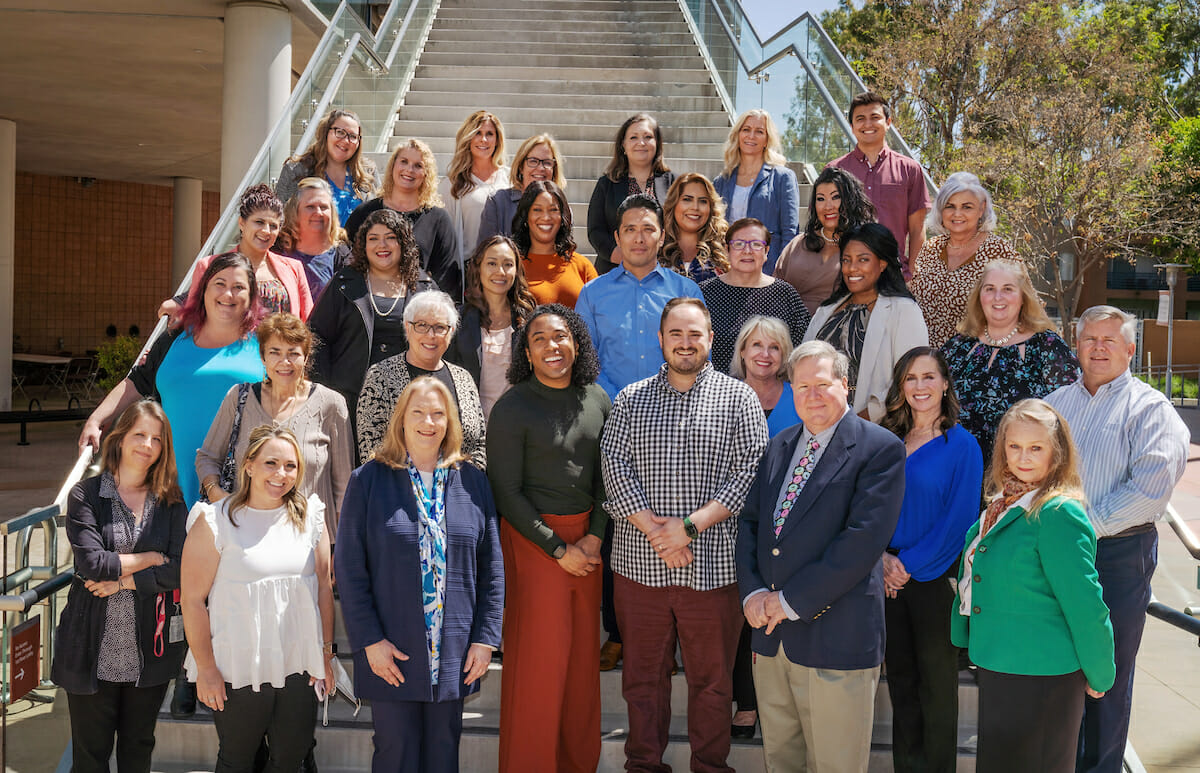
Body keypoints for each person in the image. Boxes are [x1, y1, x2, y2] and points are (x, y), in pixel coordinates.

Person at [601, 297, 768, 773]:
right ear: (661, 339)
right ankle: (644, 765)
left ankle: (710, 766)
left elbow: (749, 472)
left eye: (695, 333)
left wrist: (689, 527)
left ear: (711, 338)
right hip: (638, 567)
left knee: (712, 683)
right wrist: (654, 530)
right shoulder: (631, 399)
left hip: (714, 569)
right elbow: (613, 466)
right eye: (676, 333)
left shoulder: (739, 399)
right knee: (641, 680)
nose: (685, 342)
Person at [736, 340, 906, 773]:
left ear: (845, 385)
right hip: (772, 641)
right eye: (801, 386)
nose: (811, 395)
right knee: (782, 762)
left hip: (836, 639)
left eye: (822, 385)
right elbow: (751, 525)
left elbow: (860, 544)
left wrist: (786, 601)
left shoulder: (879, 449)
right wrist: (753, 592)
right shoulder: (779, 446)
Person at [1045, 306, 1190, 773]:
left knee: (1105, 674)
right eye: (1090, 339)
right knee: (1057, 667)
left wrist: (1078, 526)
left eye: (1111, 340)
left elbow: (1149, 489)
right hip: (1051, 554)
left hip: (1117, 554)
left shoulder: (1150, 409)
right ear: (1077, 346)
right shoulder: (1054, 405)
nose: (1099, 347)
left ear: (1131, 349)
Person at [334, 378, 504, 773]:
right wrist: (370, 641)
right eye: (418, 412)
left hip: (455, 650)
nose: (428, 422)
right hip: (392, 650)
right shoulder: (368, 480)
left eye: (438, 413)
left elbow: (492, 568)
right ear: (401, 420)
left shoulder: (473, 482)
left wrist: (485, 638)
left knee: (443, 754)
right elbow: (349, 568)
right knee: (396, 754)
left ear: (450, 422)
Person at [576, 194, 704, 669]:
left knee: (675, 516)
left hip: (678, 418)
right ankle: (619, 631)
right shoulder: (594, 293)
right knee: (618, 525)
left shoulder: (681, 290)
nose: (638, 237)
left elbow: (696, 350)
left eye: (648, 229)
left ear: (661, 236)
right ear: (617, 238)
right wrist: (623, 402)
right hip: (614, 421)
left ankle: (677, 632)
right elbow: (586, 362)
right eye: (629, 229)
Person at [952, 399, 1115, 773]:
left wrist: (1100, 671)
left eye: (1036, 448)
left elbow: (1086, 606)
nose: (1023, 457)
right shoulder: (1002, 504)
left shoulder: (1059, 514)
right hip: (999, 664)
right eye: (1014, 446)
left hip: (1045, 676)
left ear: (1056, 454)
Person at [486, 305, 610, 773]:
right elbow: (506, 491)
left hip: (590, 544)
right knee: (539, 668)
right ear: (527, 352)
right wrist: (558, 549)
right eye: (539, 339)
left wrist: (595, 538)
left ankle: (577, 764)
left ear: (576, 343)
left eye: (560, 336)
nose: (551, 347)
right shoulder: (513, 405)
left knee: (581, 668)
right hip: (534, 544)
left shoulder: (597, 398)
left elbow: (608, 478)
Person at [181, 426, 335, 773]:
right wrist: (206, 669)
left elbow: (324, 588)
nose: (282, 474)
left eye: (291, 466)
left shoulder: (311, 518)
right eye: (271, 463)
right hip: (237, 668)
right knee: (237, 760)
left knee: (291, 759)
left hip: (298, 666)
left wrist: (326, 654)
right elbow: (192, 601)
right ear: (248, 465)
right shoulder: (215, 521)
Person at [53, 400, 187, 773]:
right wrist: (150, 558)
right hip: (91, 648)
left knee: (138, 749)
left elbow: (179, 570)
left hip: (149, 647)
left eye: (156, 439)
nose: (147, 445)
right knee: (90, 756)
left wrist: (123, 582)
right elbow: (93, 564)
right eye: (139, 434)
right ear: (121, 437)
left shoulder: (172, 502)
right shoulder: (86, 495)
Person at [81, 251, 266, 507]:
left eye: (239, 287)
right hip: (170, 482)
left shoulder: (266, 344)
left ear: (251, 295)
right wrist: (97, 418)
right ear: (203, 290)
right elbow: (138, 382)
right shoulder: (174, 338)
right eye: (219, 284)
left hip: (238, 487)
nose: (228, 294)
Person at [879, 347, 984, 773]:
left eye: (928, 377)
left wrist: (906, 567)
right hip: (885, 580)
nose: (919, 386)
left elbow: (958, 522)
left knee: (937, 690)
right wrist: (882, 560)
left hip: (933, 582)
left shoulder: (963, 445)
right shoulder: (885, 438)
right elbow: (869, 508)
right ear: (901, 387)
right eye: (910, 378)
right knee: (901, 686)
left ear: (944, 384)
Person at [197, 313, 352, 537]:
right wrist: (220, 499)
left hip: (311, 542)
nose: (284, 362)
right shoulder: (239, 398)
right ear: (263, 357)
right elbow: (207, 457)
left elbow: (344, 487)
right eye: (275, 352)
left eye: (293, 353)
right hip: (245, 536)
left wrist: (339, 550)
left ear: (306, 358)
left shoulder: (331, 404)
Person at [308, 208, 437, 436]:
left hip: (410, 403)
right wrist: (326, 391)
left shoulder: (424, 286)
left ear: (403, 243)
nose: (382, 245)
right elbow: (317, 337)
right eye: (373, 239)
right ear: (363, 245)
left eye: (390, 238)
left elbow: (442, 337)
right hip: (350, 402)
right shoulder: (344, 283)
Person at [941, 259, 1079, 467]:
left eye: (1008, 289)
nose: (998, 297)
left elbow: (1071, 413)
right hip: (958, 470)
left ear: (1023, 297)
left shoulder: (1047, 346)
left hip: (1022, 474)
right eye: (990, 289)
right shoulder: (958, 346)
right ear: (979, 297)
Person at [804, 222, 928, 422]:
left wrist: (855, 424)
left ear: (882, 264)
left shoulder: (903, 310)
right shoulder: (827, 310)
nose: (852, 268)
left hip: (874, 431)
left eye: (863, 259)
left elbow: (911, 378)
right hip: (817, 422)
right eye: (846, 260)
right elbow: (804, 365)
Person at [356, 290, 485, 467]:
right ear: (407, 328)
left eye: (440, 327)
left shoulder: (464, 379)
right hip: (398, 489)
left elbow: (479, 444)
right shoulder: (381, 375)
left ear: (451, 332)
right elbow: (370, 445)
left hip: (459, 488)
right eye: (422, 325)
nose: (430, 335)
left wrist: (462, 485)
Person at [161, 185, 314, 323]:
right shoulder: (209, 266)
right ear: (242, 223)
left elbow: (308, 322)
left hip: (280, 353)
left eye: (273, 225)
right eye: (259, 222)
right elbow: (195, 319)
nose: (266, 231)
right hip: (228, 351)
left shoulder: (294, 268)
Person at [911, 172, 1021, 347]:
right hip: (928, 364)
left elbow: (1026, 308)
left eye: (967, 207)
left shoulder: (999, 252)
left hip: (977, 363)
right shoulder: (930, 249)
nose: (957, 214)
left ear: (982, 208)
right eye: (950, 206)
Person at [343, 138, 461, 300]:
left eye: (418, 165)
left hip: (419, 312)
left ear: (426, 174)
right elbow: (346, 260)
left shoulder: (438, 219)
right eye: (404, 162)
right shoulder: (365, 213)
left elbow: (447, 277)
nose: (409, 169)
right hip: (368, 305)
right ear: (393, 166)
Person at [830, 91, 931, 279]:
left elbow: (917, 229)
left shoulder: (910, 169)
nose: (867, 124)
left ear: (888, 122)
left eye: (875, 117)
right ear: (852, 126)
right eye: (860, 119)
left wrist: (912, 274)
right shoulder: (835, 171)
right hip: (843, 275)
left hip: (893, 274)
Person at [700, 217, 809, 374]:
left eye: (756, 245)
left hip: (772, 391)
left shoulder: (785, 294)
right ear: (727, 250)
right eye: (739, 244)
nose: (747, 251)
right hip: (717, 393)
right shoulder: (705, 293)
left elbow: (802, 349)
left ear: (766, 252)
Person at [446, 235, 537, 421]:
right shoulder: (457, 319)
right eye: (492, 263)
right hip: (469, 428)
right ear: (478, 268)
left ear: (517, 270)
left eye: (508, 264)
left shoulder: (530, 320)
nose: (500, 271)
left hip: (517, 426)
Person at [774, 166, 875, 316]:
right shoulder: (798, 244)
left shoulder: (869, 245)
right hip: (790, 332)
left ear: (851, 201)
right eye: (820, 199)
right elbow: (775, 292)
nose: (828, 207)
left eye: (836, 197)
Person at [712, 109, 799, 273]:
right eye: (746, 129)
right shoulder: (721, 182)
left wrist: (779, 274)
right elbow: (715, 230)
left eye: (759, 131)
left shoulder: (783, 178)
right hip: (729, 270)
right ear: (738, 135)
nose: (751, 136)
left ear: (767, 139)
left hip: (767, 271)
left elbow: (790, 232)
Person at [588, 113, 676, 274]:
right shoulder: (607, 184)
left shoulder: (672, 182)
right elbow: (595, 230)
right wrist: (617, 254)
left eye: (648, 137)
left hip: (661, 272)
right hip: (614, 270)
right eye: (633, 137)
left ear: (657, 143)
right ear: (623, 145)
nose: (641, 143)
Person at [276, 109, 379, 226]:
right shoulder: (295, 171)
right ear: (326, 133)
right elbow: (278, 219)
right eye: (340, 132)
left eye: (353, 136)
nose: (346, 140)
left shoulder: (369, 173)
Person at [436, 110, 510, 273]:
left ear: (497, 140)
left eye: (489, 134)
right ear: (468, 137)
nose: (483, 139)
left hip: (506, 268)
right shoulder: (452, 184)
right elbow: (444, 235)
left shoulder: (509, 178)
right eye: (477, 133)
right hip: (471, 271)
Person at [511, 180, 597, 308]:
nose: (546, 217)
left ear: (562, 217)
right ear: (526, 216)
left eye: (553, 210)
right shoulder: (512, 265)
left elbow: (600, 314)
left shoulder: (582, 266)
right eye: (537, 210)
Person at [479, 134, 567, 244]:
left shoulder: (561, 206)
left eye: (547, 163)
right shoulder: (498, 202)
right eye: (533, 161)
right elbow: (485, 252)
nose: (540, 168)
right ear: (521, 167)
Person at [276, 177, 352, 300]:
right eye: (310, 206)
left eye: (323, 207)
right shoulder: (277, 249)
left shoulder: (344, 256)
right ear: (295, 211)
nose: (318, 212)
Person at [660, 172, 730, 283]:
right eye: (687, 199)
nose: (695, 207)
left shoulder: (725, 252)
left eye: (703, 201)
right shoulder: (655, 250)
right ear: (673, 204)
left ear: (710, 208)